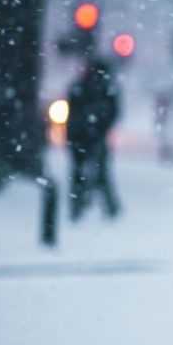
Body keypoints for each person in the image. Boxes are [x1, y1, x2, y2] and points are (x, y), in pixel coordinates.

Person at [66, 53, 121, 221]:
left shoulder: (81, 86)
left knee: (80, 172)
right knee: (100, 172)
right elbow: (113, 112)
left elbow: (73, 110)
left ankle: (78, 206)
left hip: (80, 136)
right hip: (91, 136)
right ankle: (108, 207)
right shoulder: (106, 88)